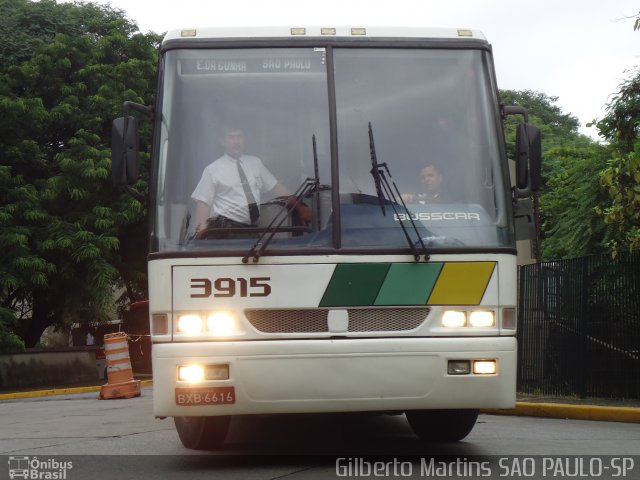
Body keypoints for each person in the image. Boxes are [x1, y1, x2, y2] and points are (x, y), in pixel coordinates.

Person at [191, 126, 311, 237]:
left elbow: (277, 188)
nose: (236, 141)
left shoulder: (255, 163)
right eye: (231, 137)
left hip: (251, 230)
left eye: (239, 137)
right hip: (225, 233)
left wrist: (300, 207)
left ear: (245, 141)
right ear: (222, 142)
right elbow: (203, 204)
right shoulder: (212, 170)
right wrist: (202, 237)